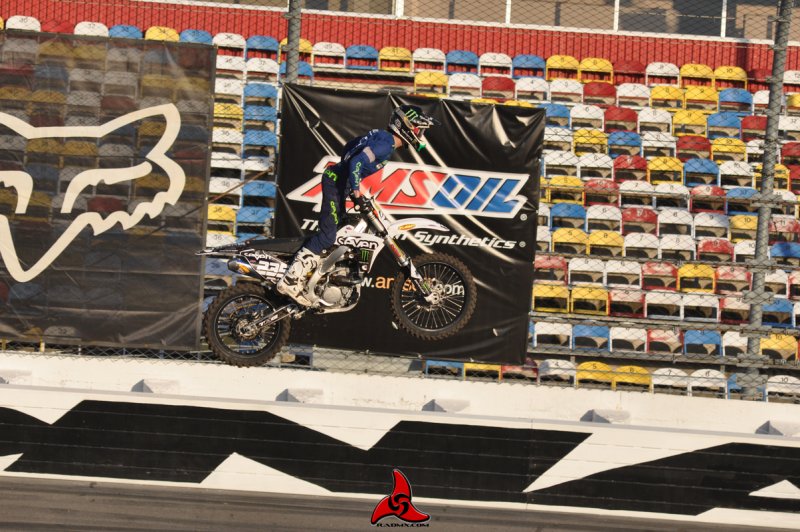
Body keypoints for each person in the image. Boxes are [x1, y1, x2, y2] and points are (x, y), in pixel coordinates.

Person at [276, 104, 438, 305]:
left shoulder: (382, 137)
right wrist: (355, 189)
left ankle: (317, 277)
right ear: (406, 125)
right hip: (335, 185)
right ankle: (290, 280)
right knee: (327, 236)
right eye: (419, 128)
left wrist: (351, 186)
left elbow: (349, 148)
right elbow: (356, 162)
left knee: (342, 231)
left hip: (339, 185)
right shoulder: (386, 145)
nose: (420, 134)